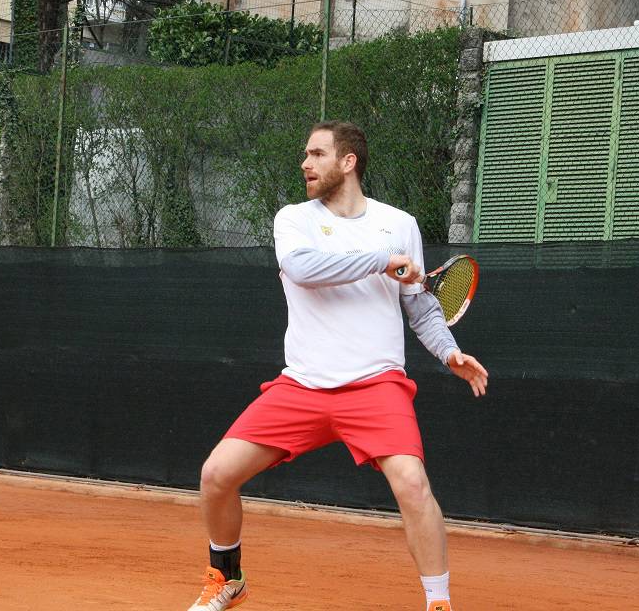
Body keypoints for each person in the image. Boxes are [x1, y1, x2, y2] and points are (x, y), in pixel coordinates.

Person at [187, 121, 488, 611]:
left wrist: (448, 352)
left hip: (375, 385)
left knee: (413, 484)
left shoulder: (400, 223)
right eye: (305, 155)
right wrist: (383, 259)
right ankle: (228, 577)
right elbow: (305, 271)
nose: (305, 164)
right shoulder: (294, 220)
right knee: (216, 474)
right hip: (302, 385)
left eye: (316, 154)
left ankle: (438, 603)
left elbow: (421, 306)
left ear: (348, 162)